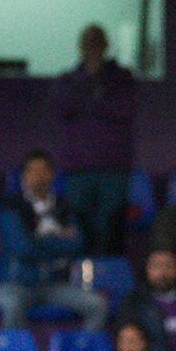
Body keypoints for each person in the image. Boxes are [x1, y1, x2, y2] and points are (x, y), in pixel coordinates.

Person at [0, 151, 107, 329]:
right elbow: (22, 248)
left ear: (52, 174)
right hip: (16, 283)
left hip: (56, 284)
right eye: (33, 171)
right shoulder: (11, 206)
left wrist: (37, 239)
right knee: (11, 307)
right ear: (24, 176)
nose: (38, 176)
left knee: (97, 305)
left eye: (43, 170)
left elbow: (77, 244)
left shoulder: (65, 207)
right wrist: (57, 239)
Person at [53, 25, 135, 256]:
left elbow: (123, 109)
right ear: (80, 46)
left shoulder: (122, 78)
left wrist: (89, 101)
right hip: (78, 169)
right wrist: (94, 94)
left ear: (106, 44)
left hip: (113, 168)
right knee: (79, 229)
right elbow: (65, 106)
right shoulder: (66, 80)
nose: (93, 47)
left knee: (111, 228)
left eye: (97, 42)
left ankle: (110, 279)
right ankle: (81, 280)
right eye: (88, 42)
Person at [116, 248, 176, 351]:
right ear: (146, 269)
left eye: (168, 265)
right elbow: (132, 341)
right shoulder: (134, 302)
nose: (163, 272)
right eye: (156, 266)